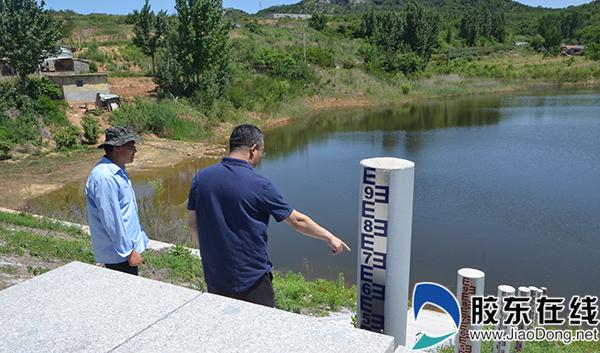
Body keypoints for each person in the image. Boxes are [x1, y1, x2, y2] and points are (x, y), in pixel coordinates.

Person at [187, 124, 350, 307]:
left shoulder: (201, 178)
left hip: (214, 276)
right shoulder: (259, 184)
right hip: (252, 280)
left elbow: (193, 224)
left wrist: (213, 255)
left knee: (225, 329)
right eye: (261, 151)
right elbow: (296, 220)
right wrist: (329, 236)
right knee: (261, 331)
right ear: (253, 149)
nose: (261, 156)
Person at [85, 126, 148, 276]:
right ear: (118, 148)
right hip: (119, 255)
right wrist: (128, 252)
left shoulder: (117, 171)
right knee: (126, 294)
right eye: (131, 147)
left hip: (125, 251)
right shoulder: (105, 178)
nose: (135, 151)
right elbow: (112, 220)